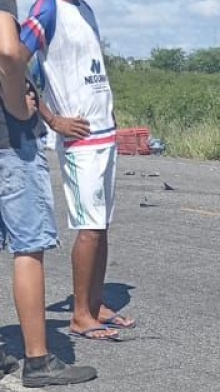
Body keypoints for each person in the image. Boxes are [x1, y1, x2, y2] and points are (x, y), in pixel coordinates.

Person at [21, 0, 135, 341]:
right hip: (79, 140)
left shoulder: (85, 10)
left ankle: (96, 305)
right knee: (89, 228)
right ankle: (80, 315)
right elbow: (12, 61)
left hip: (104, 133)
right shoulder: (48, 8)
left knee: (100, 226)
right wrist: (52, 119)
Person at [1, 0, 96, 387]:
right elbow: (9, 52)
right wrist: (17, 108)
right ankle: (38, 359)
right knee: (28, 247)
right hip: (9, 140)